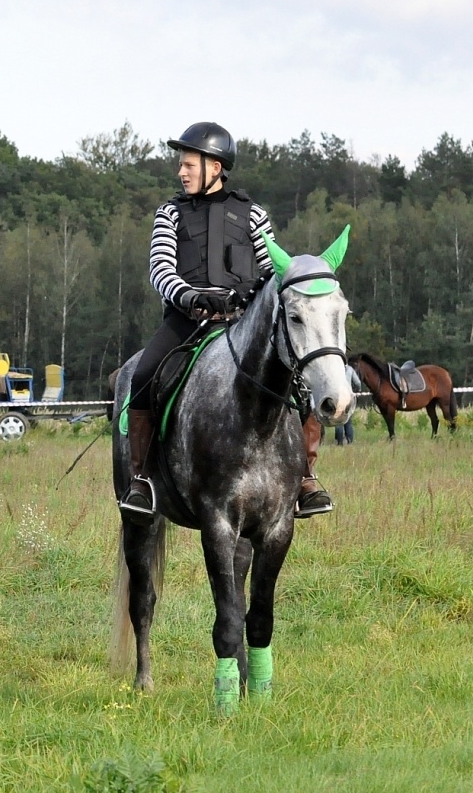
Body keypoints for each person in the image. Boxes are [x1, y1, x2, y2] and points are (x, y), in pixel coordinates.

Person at [118, 121, 333, 524]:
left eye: (189, 165)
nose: (181, 172)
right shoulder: (170, 213)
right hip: (187, 322)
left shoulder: (252, 214)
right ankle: (142, 479)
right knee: (143, 375)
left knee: (301, 383)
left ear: (215, 166)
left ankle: (306, 478)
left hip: (243, 325)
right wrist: (191, 296)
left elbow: (273, 269)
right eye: (181, 165)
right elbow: (160, 269)